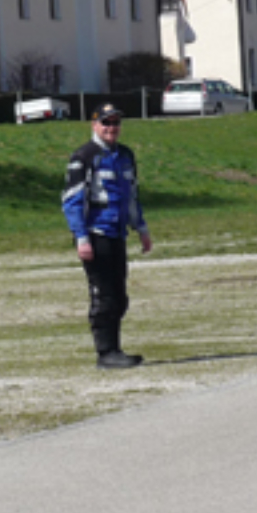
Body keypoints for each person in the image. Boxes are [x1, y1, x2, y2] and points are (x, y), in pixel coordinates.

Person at [62, 103, 153, 369]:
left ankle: (115, 349)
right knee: (104, 296)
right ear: (94, 126)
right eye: (106, 123)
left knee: (120, 296)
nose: (111, 128)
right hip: (95, 234)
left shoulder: (125, 155)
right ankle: (106, 353)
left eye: (115, 123)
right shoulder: (84, 157)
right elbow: (71, 200)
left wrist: (142, 228)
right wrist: (81, 237)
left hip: (118, 233)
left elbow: (132, 195)